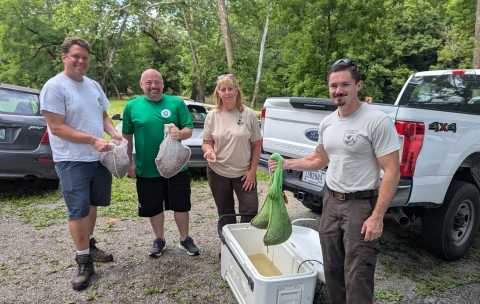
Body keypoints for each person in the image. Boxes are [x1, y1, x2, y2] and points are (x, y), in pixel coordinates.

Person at [269, 59, 400, 304]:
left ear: (358, 85)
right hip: (330, 200)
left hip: (360, 205)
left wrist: (377, 216)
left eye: (344, 84)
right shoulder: (328, 122)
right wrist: (286, 163)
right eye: (333, 85)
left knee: (358, 272)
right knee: (332, 268)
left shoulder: (376, 121)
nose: (338, 90)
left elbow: (392, 171)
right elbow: (319, 159)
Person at [40, 37, 123, 291]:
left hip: (98, 157)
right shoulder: (55, 87)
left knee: (92, 205)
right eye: (76, 56)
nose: (81, 61)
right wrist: (92, 139)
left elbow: (103, 115)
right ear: (65, 57)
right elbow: (56, 127)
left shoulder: (93, 85)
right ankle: (83, 261)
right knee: (78, 209)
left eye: (85, 57)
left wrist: (113, 133)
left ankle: (89, 245)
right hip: (72, 160)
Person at [122, 69, 199, 257]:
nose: (153, 86)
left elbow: (188, 129)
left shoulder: (176, 103)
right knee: (153, 206)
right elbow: (127, 137)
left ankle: (184, 239)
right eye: (148, 83)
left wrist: (180, 133)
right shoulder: (132, 107)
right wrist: (128, 163)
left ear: (163, 84)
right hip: (147, 169)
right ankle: (159, 239)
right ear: (141, 85)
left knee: (181, 204)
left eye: (157, 82)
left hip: (176, 166)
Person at [202, 74, 262, 231]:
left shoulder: (248, 114)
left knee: (250, 211)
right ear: (218, 93)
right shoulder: (212, 115)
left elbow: (256, 145)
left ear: (237, 91)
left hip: (244, 173)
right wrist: (209, 152)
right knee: (225, 213)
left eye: (230, 88)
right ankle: (227, 248)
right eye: (223, 89)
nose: (227, 92)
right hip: (218, 172)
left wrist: (252, 172)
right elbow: (207, 142)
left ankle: (244, 246)